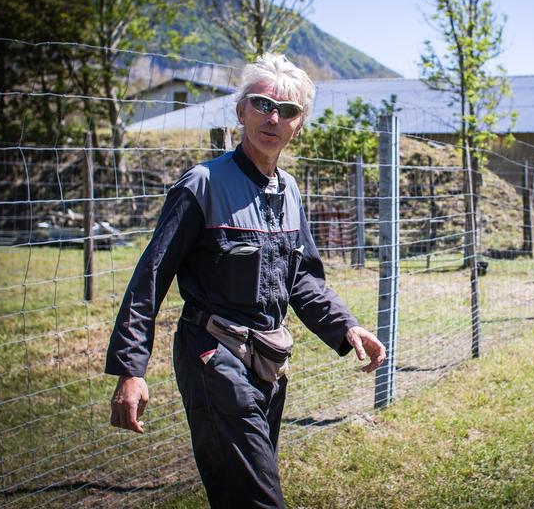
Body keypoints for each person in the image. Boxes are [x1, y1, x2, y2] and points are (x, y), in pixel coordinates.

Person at [105, 53, 386, 508]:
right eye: (261, 104)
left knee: (241, 490)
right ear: (241, 111)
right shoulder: (202, 184)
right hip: (213, 356)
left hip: (269, 361)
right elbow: (150, 278)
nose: (273, 118)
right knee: (258, 498)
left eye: (288, 111)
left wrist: (346, 326)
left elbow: (303, 280)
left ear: (300, 125)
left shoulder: (289, 191)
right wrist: (130, 369)